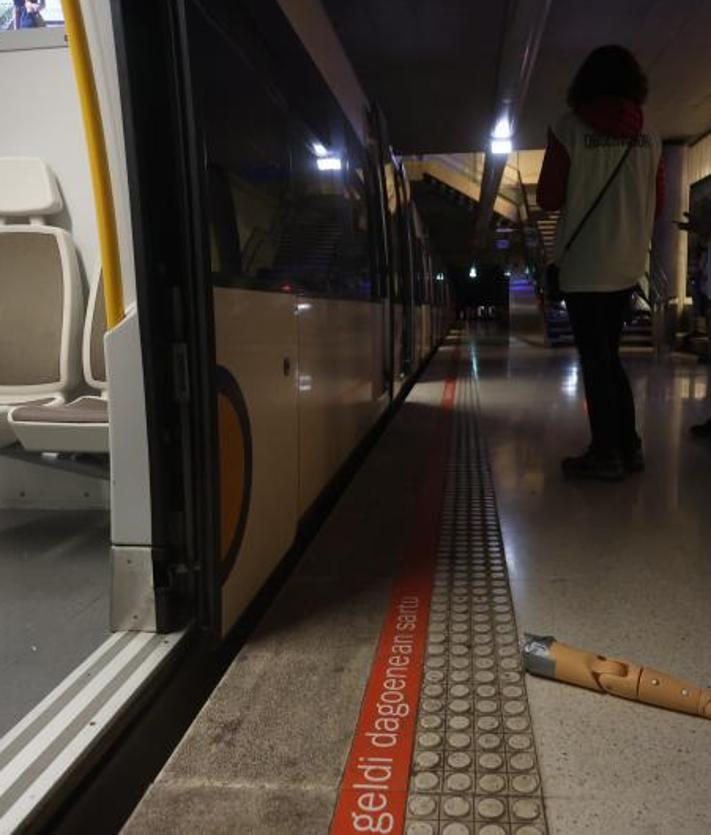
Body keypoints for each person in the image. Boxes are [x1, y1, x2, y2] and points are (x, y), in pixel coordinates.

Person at [537, 45, 664, 481]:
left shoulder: (568, 127)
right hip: (628, 264)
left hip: (585, 265)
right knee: (609, 356)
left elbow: (548, 197)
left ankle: (606, 452)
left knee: (596, 360)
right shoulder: (650, 134)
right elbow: (659, 203)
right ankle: (629, 447)